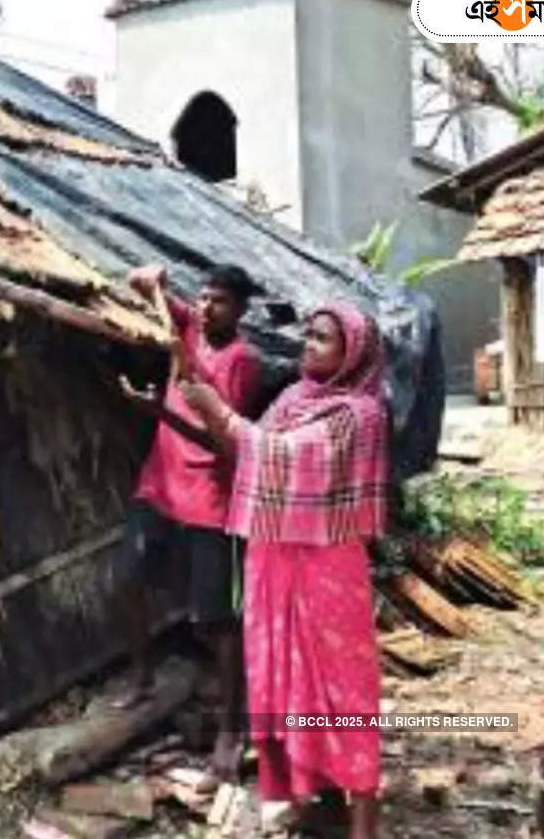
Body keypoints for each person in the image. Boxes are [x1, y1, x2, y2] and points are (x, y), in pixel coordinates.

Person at [180, 302, 388, 839]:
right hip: (273, 558)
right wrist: (199, 407)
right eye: (309, 336)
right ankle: (312, 799)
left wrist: (220, 413)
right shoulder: (295, 398)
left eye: (323, 339)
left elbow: (289, 457)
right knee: (286, 680)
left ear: (353, 353)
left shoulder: (358, 412)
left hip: (327, 566)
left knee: (342, 692)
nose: (309, 346)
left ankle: (365, 822)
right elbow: (245, 448)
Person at [112, 262, 260, 780]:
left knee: (215, 619)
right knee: (126, 580)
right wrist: (154, 282)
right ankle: (143, 679)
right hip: (160, 486)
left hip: (209, 498)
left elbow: (223, 442)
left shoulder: (243, 361)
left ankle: (231, 728)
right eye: (201, 298)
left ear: (241, 310)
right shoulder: (191, 326)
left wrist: (162, 414)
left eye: (218, 301)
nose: (205, 307)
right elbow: (139, 285)